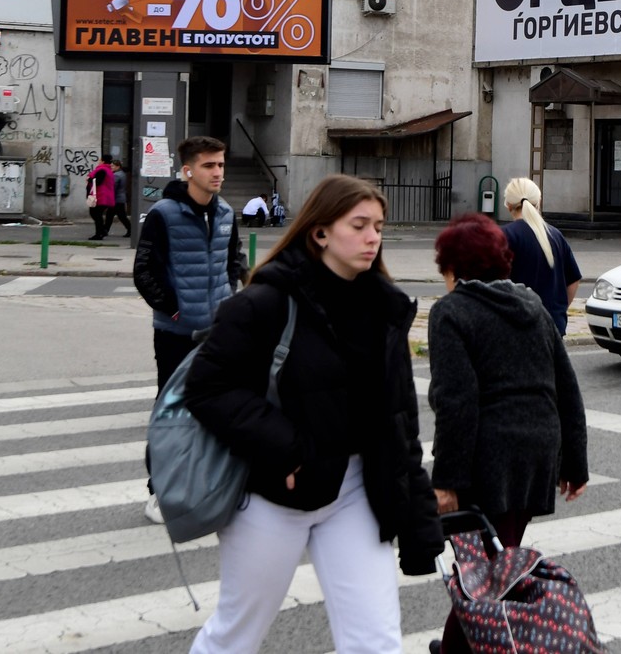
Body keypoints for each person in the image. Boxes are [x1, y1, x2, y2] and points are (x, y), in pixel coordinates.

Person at [183, 174, 442, 652]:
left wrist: (419, 514)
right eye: (359, 225)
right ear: (320, 232)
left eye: (379, 227)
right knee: (238, 633)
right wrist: (285, 449)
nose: (372, 238)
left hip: (356, 492)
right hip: (273, 495)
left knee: (377, 640)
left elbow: (399, 419)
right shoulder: (264, 302)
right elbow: (208, 387)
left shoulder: (383, 308)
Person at [427, 212, 590, 653]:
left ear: (454, 267)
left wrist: (448, 481)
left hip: (487, 455)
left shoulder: (451, 312)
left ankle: (459, 647)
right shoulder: (533, 304)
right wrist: (575, 463)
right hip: (538, 451)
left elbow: (455, 403)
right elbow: (566, 386)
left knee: (481, 572)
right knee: (493, 560)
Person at [133, 136, 247, 524]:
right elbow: (143, 271)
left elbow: (235, 260)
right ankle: (159, 490)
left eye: (220, 164)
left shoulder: (227, 212)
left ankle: (209, 485)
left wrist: (232, 300)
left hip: (217, 334)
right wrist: (174, 310)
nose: (217, 172)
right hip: (175, 334)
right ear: (188, 170)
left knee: (217, 410)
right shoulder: (163, 214)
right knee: (171, 412)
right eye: (209, 165)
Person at [501, 177, 582, 336]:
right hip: (552, 327)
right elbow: (573, 281)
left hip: (516, 328)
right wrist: (559, 309)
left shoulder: (504, 236)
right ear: (538, 202)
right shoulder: (555, 235)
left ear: (508, 205)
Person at [86, 156, 116, 241]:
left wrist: (89, 179)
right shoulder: (109, 170)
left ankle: (99, 233)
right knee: (96, 214)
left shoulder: (102, 170)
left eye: (99, 160)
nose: (98, 161)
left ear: (103, 161)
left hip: (101, 196)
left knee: (95, 214)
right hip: (105, 196)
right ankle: (101, 231)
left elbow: (97, 181)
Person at [109, 159, 131, 238]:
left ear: (117, 166)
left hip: (117, 198)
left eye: (113, 166)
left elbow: (114, 187)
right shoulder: (122, 174)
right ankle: (105, 230)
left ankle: (130, 229)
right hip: (120, 197)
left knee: (121, 216)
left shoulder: (116, 175)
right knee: (110, 215)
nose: (111, 167)